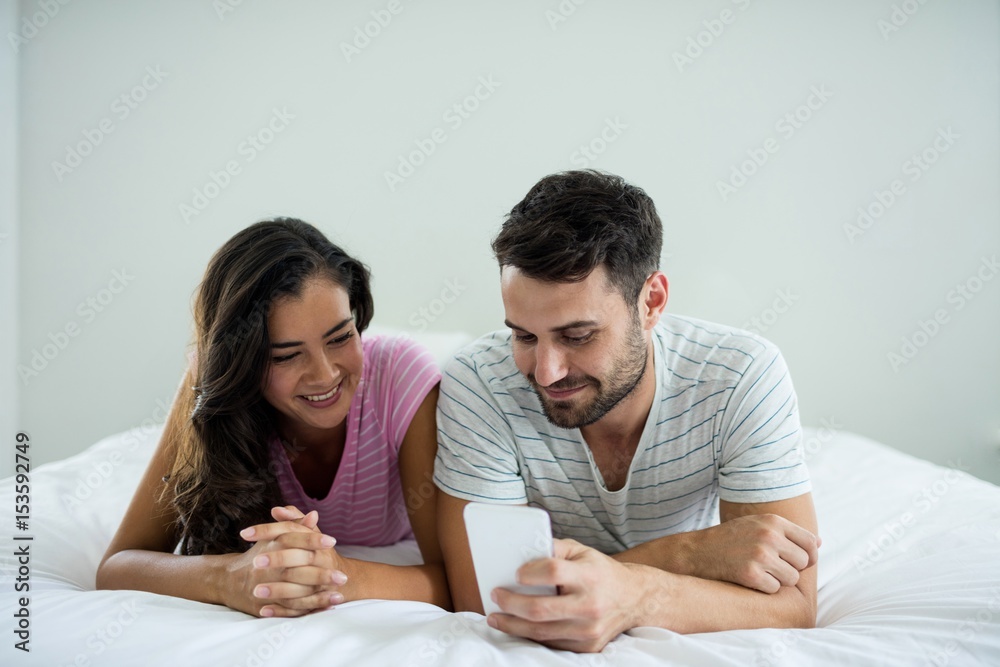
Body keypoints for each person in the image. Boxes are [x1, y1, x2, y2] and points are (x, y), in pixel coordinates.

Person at [433, 171, 820, 652]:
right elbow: (490, 599)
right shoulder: (480, 382)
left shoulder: (741, 376)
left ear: (651, 302)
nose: (547, 372)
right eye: (524, 336)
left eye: (578, 336)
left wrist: (636, 596)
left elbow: (794, 605)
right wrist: (689, 553)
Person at [97, 218, 450, 616]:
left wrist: (336, 573)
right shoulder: (208, 388)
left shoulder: (400, 376)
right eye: (286, 355)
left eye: (340, 337)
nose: (325, 375)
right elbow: (117, 567)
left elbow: (456, 578)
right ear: (242, 363)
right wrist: (228, 577)